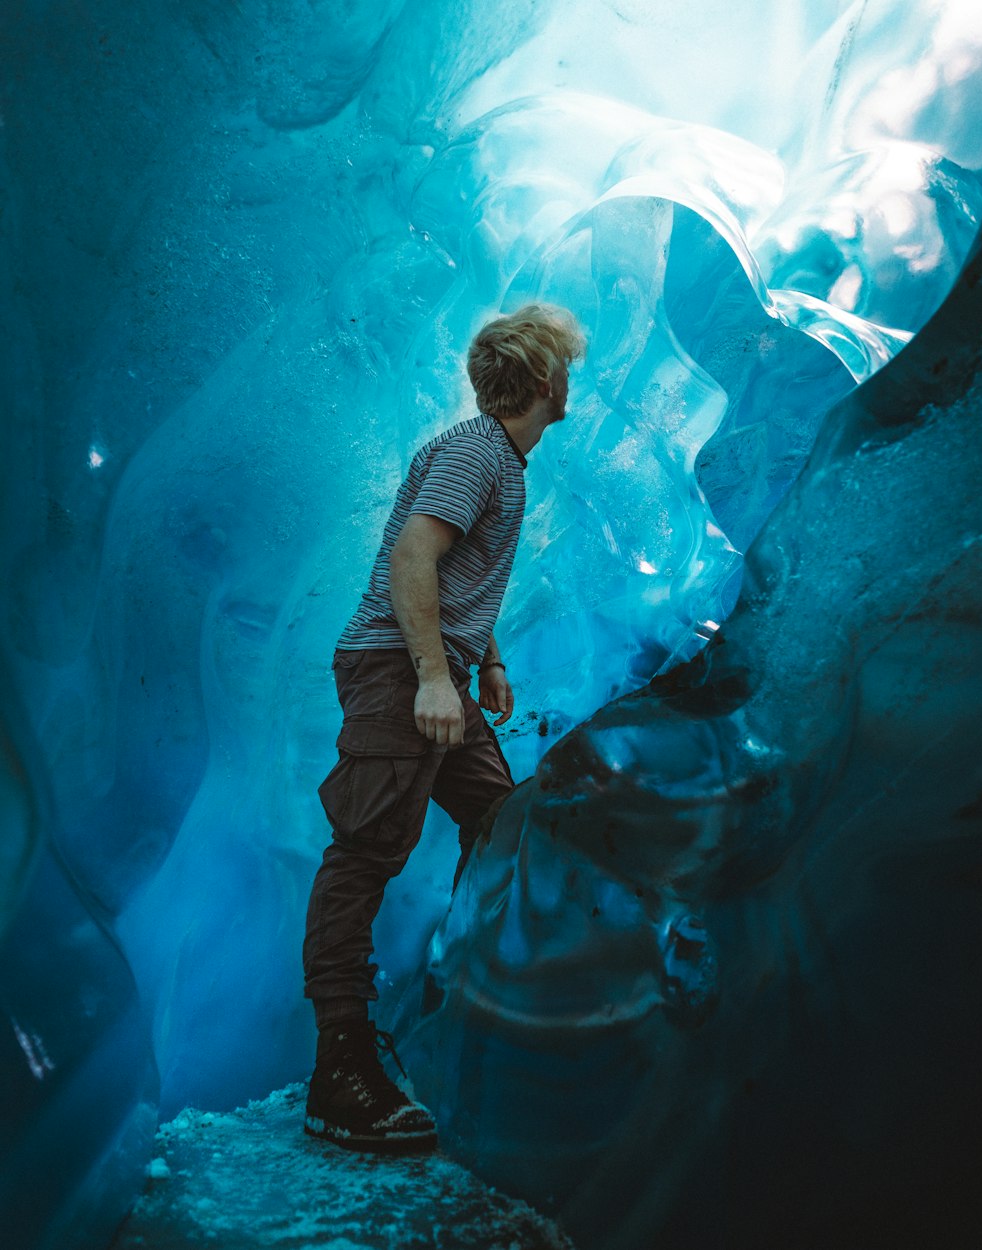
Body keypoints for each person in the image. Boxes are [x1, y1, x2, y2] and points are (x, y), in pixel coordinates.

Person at [302, 303, 585, 1153]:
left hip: (438, 671)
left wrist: (483, 660)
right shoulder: (475, 452)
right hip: (397, 668)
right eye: (565, 366)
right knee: (368, 849)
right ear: (542, 379)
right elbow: (413, 556)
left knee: (501, 823)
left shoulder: (497, 455)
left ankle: (458, 1006)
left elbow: (459, 568)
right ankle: (340, 1069)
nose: (571, 379)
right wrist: (432, 674)